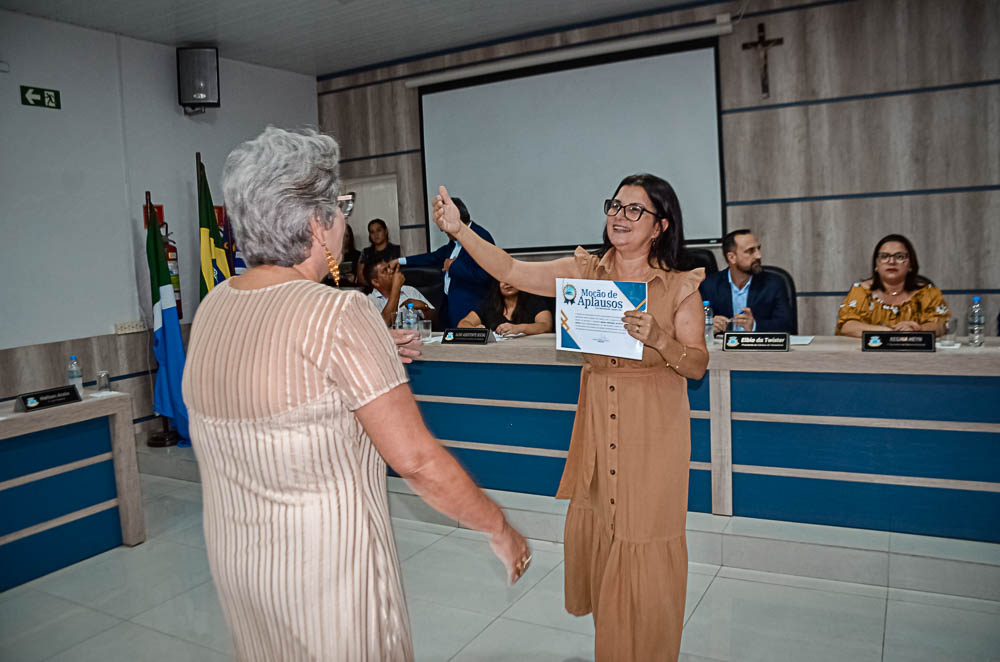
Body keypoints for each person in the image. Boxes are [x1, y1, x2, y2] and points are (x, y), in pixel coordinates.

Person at [182, 127, 529, 662]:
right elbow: (417, 461)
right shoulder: (338, 313)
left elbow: (275, 387)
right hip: (328, 577)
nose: (344, 219)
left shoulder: (215, 305)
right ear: (317, 225)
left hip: (242, 566)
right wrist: (499, 526)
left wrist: (373, 350)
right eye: (340, 206)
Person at [432, 174, 708, 661]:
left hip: (655, 428)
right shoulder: (585, 272)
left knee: (644, 542)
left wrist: (660, 340)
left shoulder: (679, 285)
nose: (619, 218)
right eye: (614, 206)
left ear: (660, 225)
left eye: (634, 211)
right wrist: (461, 231)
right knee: (607, 538)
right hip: (600, 425)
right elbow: (513, 269)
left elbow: (697, 364)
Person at [394, 196, 495, 327]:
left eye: (443, 225)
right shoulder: (454, 241)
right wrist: (400, 261)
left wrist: (453, 266)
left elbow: (485, 275)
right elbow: (433, 257)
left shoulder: (481, 237)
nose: (442, 230)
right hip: (450, 308)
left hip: (471, 309)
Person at [837, 234, 950, 337]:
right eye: (884, 256)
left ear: (911, 264)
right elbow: (847, 327)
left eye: (900, 257)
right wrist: (891, 332)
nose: (891, 261)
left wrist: (917, 329)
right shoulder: (861, 291)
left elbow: (941, 325)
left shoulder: (928, 293)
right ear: (876, 264)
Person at [699, 229, 793, 333]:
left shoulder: (774, 283)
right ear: (732, 258)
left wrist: (754, 326)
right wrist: (708, 324)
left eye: (758, 249)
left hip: (759, 348)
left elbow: (786, 325)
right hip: (722, 348)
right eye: (750, 251)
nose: (758, 256)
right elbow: (691, 322)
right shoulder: (709, 285)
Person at [458, 281, 553, 336]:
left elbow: (546, 326)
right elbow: (463, 323)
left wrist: (520, 328)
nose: (507, 283)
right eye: (502, 279)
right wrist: (474, 330)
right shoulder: (489, 303)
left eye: (511, 279)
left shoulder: (534, 300)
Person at [365, 258, 436, 327]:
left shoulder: (409, 290)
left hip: (415, 337)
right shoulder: (369, 301)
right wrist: (396, 287)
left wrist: (425, 307)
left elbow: (435, 321)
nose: (391, 271)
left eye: (389, 267)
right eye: (385, 270)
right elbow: (384, 325)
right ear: (375, 282)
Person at [357, 218, 400, 284]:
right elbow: (360, 277)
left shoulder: (397, 250)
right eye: (372, 232)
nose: (376, 234)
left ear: (385, 231)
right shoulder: (366, 252)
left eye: (379, 230)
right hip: (370, 290)